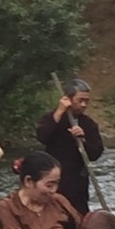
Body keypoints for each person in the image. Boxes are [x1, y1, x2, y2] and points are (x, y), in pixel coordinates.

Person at [35, 78, 105, 215]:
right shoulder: (53, 118)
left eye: (87, 101)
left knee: (80, 224)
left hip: (77, 185)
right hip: (54, 184)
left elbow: (95, 154)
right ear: (69, 99)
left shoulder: (89, 124)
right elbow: (43, 137)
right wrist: (59, 111)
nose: (84, 105)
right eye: (80, 100)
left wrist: (83, 139)